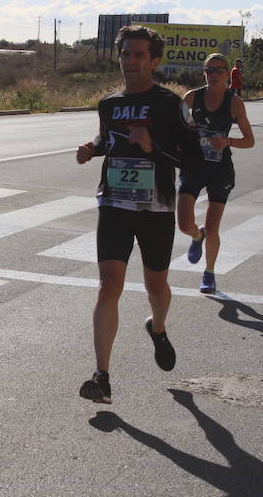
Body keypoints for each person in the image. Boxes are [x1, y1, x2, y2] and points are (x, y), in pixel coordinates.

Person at [75, 26, 202, 404]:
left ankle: (158, 328)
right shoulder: (109, 103)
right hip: (114, 203)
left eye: (139, 56)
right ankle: (102, 375)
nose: (130, 62)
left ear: (154, 61)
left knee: (155, 287)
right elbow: (108, 138)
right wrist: (91, 148)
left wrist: (153, 146)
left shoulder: (170, 104)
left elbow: (192, 158)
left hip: (156, 208)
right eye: (125, 54)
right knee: (108, 285)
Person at [176, 54, 255, 294]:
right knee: (183, 223)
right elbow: (176, 125)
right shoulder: (191, 97)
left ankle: (209, 273)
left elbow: (250, 141)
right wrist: (186, 130)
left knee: (213, 228)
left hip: (220, 169)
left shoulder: (234, 102)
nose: (212, 75)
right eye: (208, 70)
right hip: (193, 166)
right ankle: (195, 235)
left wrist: (227, 141)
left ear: (227, 74)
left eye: (218, 70)